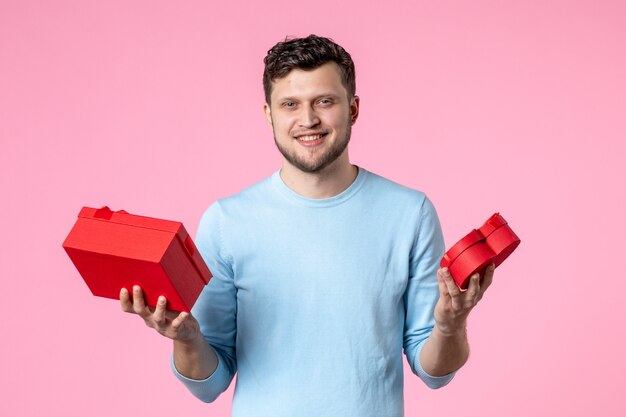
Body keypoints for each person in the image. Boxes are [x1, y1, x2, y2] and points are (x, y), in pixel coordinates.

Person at [120, 34, 494, 416]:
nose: (308, 119)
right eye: (290, 104)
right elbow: (210, 383)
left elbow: (434, 372)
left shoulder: (410, 213)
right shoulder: (226, 221)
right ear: (269, 114)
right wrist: (186, 339)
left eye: (324, 101)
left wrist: (450, 326)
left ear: (353, 109)